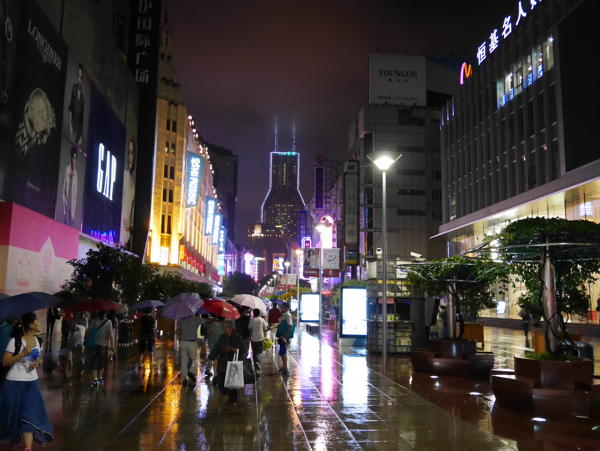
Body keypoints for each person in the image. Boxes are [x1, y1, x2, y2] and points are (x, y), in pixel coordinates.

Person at [0, 312, 53, 448]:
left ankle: (27, 448)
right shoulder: (15, 341)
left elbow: (39, 358)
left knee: (28, 416)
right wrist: (22, 354)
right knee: (10, 414)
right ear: (30, 325)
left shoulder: (38, 341)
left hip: (32, 382)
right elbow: (5, 362)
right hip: (14, 383)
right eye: (37, 322)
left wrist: (38, 363)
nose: (40, 324)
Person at [207, 320, 242, 410]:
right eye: (224, 328)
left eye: (226, 328)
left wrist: (232, 349)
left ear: (230, 328)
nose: (224, 330)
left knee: (232, 383)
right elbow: (217, 347)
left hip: (232, 362)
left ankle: (232, 400)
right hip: (222, 362)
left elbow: (241, 349)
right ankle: (228, 395)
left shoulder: (237, 337)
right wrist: (211, 356)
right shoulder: (222, 337)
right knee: (220, 380)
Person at [177, 314, 204, 385]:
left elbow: (178, 330)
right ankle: (191, 371)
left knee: (184, 360)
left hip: (183, 342)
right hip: (192, 342)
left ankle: (184, 378)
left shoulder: (181, 318)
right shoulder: (197, 319)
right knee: (195, 358)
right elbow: (206, 321)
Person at [88, 311, 114, 387]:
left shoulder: (94, 320)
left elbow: (89, 331)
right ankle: (100, 377)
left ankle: (95, 378)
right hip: (103, 344)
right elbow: (110, 334)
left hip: (94, 343)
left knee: (94, 360)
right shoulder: (108, 322)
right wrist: (112, 346)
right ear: (105, 314)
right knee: (101, 360)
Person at [62, 147, 78, 225]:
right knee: (65, 222)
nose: (73, 161)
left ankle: (70, 218)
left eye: (75, 159)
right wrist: (64, 211)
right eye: (72, 159)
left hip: (72, 206)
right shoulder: (67, 169)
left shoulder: (76, 174)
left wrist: (73, 214)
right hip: (66, 202)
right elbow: (63, 189)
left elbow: (75, 195)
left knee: (70, 223)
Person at [276, 303, 293, 375]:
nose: (281, 309)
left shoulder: (287, 315)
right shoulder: (284, 315)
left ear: (287, 308)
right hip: (282, 336)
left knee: (284, 353)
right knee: (282, 352)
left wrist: (284, 336)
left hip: (284, 337)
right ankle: (284, 366)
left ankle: (286, 369)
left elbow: (289, 326)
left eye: (283, 307)